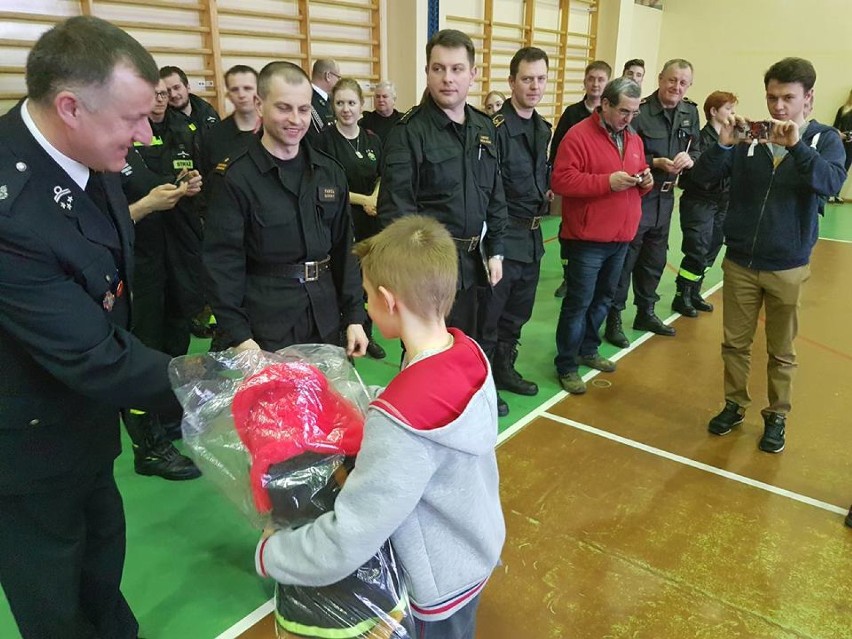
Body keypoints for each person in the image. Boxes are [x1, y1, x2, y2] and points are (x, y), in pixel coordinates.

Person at [0, 16, 186, 639]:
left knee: (102, 567)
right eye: (132, 118)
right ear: (70, 106)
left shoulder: (90, 155)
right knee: (54, 600)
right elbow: (94, 355)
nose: (145, 132)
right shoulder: (10, 210)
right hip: (26, 448)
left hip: (86, 424)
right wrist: (217, 380)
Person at [256, 215, 505, 638]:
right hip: (471, 548)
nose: (366, 305)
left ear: (389, 301)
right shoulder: (468, 352)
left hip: (434, 589)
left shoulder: (402, 424)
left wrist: (272, 553)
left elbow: (350, 537)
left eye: (368, 296)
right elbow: (424, 400)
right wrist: (365, 399)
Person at [691, 57, 846, 453]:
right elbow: (702, 179)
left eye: (788, 98)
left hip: (788, 265)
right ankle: (734, 404)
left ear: (808, 98)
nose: (778, 106)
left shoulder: (823, 140)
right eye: (772, 97)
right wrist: (723, 143)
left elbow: (830, 182)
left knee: (781, 351)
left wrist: (795, 147)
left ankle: (776, 416)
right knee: (734, 345)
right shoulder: (750, 138)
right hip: (741, 261)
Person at [377, 28, 507, 413]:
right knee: (429, 357)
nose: (447, 78)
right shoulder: (409, 133)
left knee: (475, 340)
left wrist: (497, 249)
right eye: (438, 69)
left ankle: (468, 405)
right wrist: (413, 277)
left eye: (456, 69)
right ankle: (430, 417)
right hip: (432, 268)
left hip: (478, 262)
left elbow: (495, 193)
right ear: (427, 72)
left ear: (473, 74)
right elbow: (395, 214)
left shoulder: (484, 128)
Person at [203, 61, 368, 357]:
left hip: (324, 317)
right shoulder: (235, 177)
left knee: (326, 401)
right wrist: (240, 336)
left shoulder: (329, 172)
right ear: (259, 105)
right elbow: (222, 264)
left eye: (303, 109)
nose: (295, 119)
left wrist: (355, 315)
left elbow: (346, 249)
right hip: (266, 327)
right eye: (283, 108)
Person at [118, 79, 204, 480]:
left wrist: (191, 187)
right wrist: (147, 204)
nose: (159, 99)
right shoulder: (115, 144)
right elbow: (106, 216)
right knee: (143, 350)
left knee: (176, 339)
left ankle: (170, 420)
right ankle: (147, 446)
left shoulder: (174, 135)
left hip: (176, 257)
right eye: (151, 93)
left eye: (164, 93)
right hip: (140, 265)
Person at [551, 78, 652, 394]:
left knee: (603, 300)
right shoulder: (578, 136)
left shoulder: (633, 137)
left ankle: (589, 349)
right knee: (578, 302)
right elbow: (561, 181)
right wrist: (606, 182)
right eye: (624, 111)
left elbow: (638, 174)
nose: (629, 118)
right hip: (588, 239)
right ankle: (567, 364)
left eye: (634, 112)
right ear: (604, 104)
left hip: (621, 237)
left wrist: (645, 180)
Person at [605, 58, 701, 348]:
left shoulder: (690, 113)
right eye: (672, 80)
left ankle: (645, 312)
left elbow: (695, 146)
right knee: (626, 261)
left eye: (683, 83)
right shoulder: (641, 113)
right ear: (660, 79)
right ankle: (614, 319)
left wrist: (690, 158)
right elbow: (624, 153)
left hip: (667, 199)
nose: (677, 87)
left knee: (654, 261)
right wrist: (654, 162)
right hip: (639, 196)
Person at [484, 47, 551, 400]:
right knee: (491, 317)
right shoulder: (494, 129)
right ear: (512, 82)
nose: (535, 86)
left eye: (541, 79)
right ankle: (485, 383)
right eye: (527, 79)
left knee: (517, 314)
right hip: (504, 234)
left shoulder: (543, 128)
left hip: (533, 236)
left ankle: (506, 369)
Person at [318, 77, 386, 359]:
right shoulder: (324, 140)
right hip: (339, 220)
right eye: (340, 103)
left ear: (361, 106)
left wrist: (377, 197)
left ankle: (366, 335)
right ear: (333, 107)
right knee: (344, 278)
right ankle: (342, 332)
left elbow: (383, 174)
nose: (346, 109)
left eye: (351, 103)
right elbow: (325, 188)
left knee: (368, 280)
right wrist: (364, 200)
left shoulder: (372, 139)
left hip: (371, 220)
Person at [549, 60, 612, 299]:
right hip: (573, 186)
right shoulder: (572, 114)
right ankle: (569, 276)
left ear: (608, 83)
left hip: (601, 187)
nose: (595, 84)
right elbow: (556, 150)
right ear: (585, 81)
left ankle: (593, 277)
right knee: (568, 232)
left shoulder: (611, 116)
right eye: (591, 79)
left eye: (601, 79)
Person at [672, 90, 737, 318]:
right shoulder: (699, 138)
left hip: (722, 202)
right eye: (728, 109)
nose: (732, 114)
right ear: (713, 111)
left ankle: (695, 291)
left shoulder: (733, 139)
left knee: (712, 248)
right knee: (697, 250)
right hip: (699, 201)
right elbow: (696, 173)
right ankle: (682, 295)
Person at [200, 64, 261, 177]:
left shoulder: (276, 131)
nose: (241, 95)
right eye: (235, 90)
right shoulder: (214, 136)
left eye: (247, 88)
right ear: (228, 95)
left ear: (259, 91)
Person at [160, 64, 220, 133]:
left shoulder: (207, 111)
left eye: (176, 87)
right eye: (167, 91)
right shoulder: (160, 121)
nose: (173, 95)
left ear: (188, 87)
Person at [307, 58, 341, 146]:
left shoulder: (329, 99)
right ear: (328, 76)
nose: (338, 81)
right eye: (338, 77)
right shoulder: (307, 99)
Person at [359, 80, 403, 144]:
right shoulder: (365, 121)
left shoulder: (402, 121)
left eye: (384, 97)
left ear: (394, 99)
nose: (381, 100)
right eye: (377, 96)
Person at [830, 89, 852, 203]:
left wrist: (849, 135)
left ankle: (837, 193)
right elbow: (835, 126)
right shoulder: (843, 109)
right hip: (839, 142)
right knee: (836, 166)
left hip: (850, 146)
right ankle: (830, 193)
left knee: (845, 169)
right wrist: (839, 135)